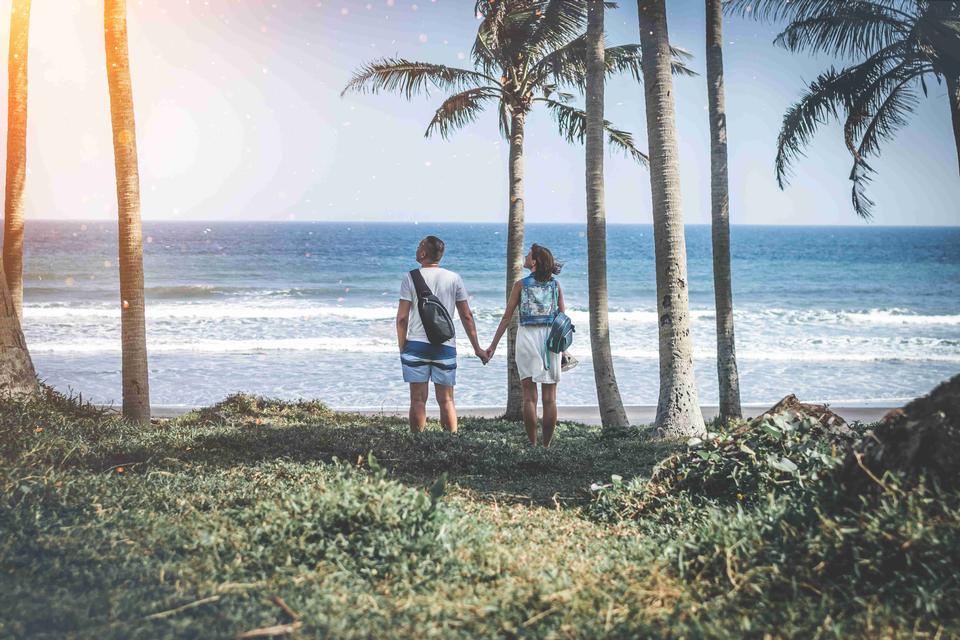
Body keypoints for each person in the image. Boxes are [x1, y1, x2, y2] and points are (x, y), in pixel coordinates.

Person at [397, 235, 488, 433]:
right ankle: (450, 445)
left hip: (416, 346)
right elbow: (467, 316)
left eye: (419, 245)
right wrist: (477, 348)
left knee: (418, 400)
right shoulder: (454, 278)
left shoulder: (410, 278)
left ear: (423, 253)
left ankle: (418, 445)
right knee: (446, 400)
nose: (416, 248)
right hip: (445, 346)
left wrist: (402, 346)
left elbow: (402, 319)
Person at [486, 244, 565, 447]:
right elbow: (562, 319)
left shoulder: (521, 285)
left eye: (528, 255)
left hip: (527, 339)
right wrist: (564, 349)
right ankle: (546, 446)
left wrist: (492, 346)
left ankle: (533, 445)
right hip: (550, 341)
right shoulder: (555, 286)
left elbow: (506, 318)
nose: (525, 257)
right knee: (550, 399)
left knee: (529, 398)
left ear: (535, 261)